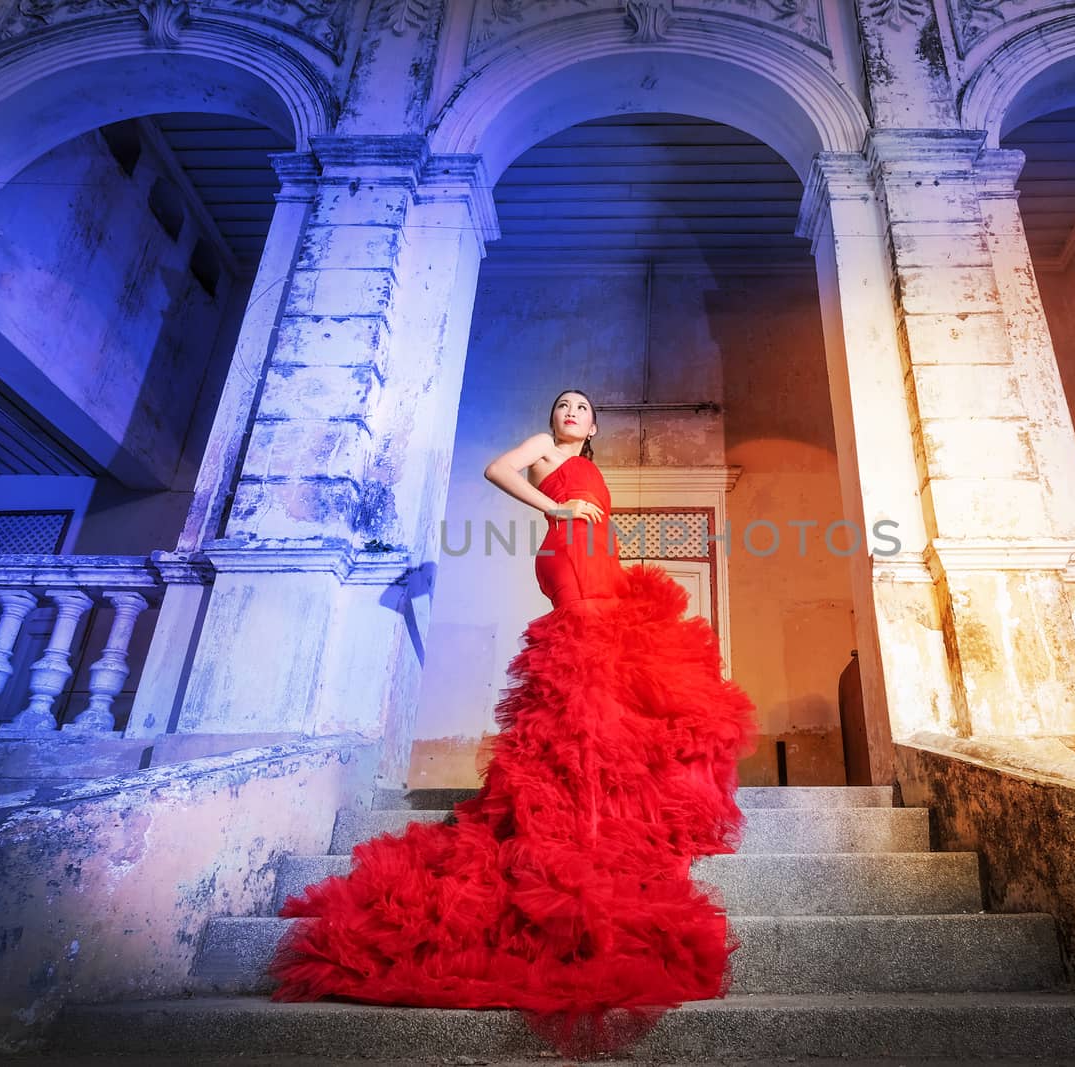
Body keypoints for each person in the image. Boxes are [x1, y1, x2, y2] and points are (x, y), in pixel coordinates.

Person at [266, 389, 760, 1059]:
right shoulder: (545, 449)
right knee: (582, 667)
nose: (573, 412)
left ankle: (602, 795)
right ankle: (579, 807)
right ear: (553, 418)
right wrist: (556, 507)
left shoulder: (587, 460)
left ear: (595, 424)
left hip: (601, 558)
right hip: (572, 558)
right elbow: (497, 468)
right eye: (564, 405)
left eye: (583, 408)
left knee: (626, 672)